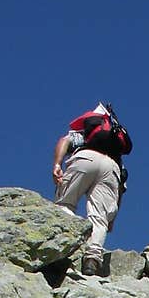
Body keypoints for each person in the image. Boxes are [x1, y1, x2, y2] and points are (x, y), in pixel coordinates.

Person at [52, 102, 132, 276]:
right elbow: (120, 187)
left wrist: (57, 164)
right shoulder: (116, 152)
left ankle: (59, 248)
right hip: (111, 169)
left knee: (65, 203)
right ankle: (92, 260)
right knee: (100, 219)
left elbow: (65, 141)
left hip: (85, 158)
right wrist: (112, 218)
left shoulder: (85, 134)